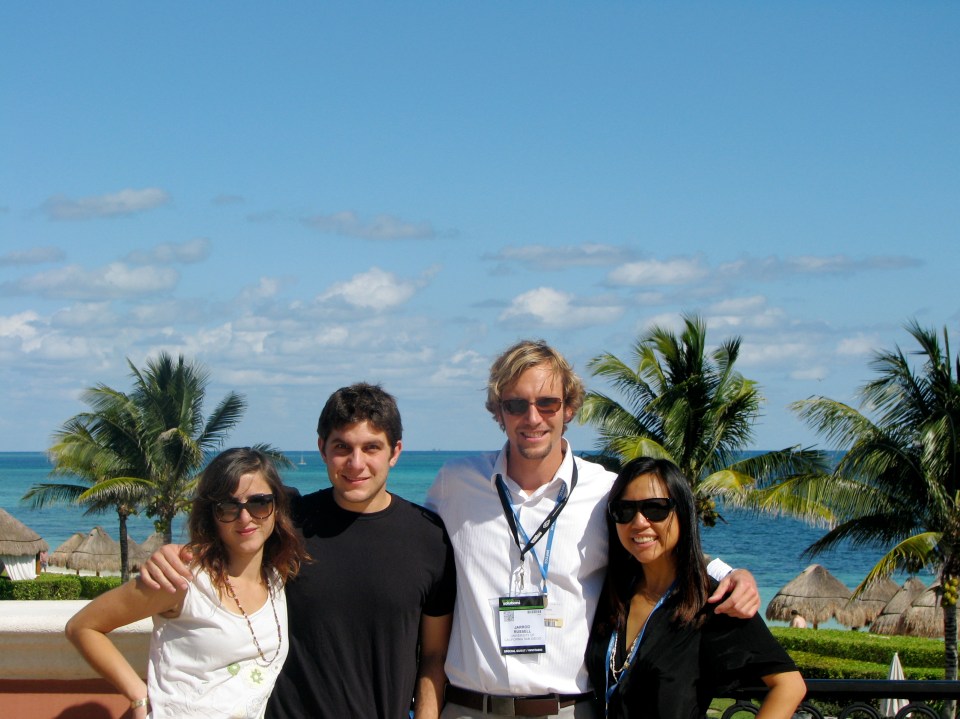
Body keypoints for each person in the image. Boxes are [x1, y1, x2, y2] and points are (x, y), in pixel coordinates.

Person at [426, 339, 761, 718]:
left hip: (569, 710)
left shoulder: (605, 492)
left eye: (547, 403)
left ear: (569, 408)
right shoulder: (455, 484)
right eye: (516, 404)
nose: (532, 418)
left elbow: (661, 547)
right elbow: (410, 546)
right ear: (498, 412)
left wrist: (730, 574)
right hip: (469, 708)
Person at [139, 382, 457, 719]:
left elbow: (434, 656)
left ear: (395, 452)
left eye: (371, 448)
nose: (356, 463)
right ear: (322, 448)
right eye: (342, 447)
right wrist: (173, 555)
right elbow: (228, 535)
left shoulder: (429, 538)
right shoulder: (286, 521)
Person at [65, 447, 306, 719]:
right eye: (228, 507)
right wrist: (138, 696)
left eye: (259, 503)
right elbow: (82, 626)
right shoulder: (184, 578)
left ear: (276, 507)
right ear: (211, 515)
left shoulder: (276, 579)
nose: (245, 517)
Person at [585, 457, 806, 718]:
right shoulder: (613, 593)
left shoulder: (712, 603)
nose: (639, 522)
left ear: (682, 512)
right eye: (624, 510)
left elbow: (789, 686)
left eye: (655, 508)